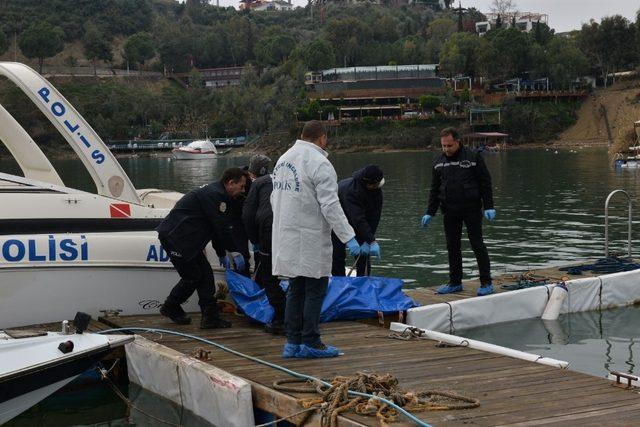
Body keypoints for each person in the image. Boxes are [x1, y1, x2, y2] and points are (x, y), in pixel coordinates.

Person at [271, 120, 362, 359]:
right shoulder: (320, 162)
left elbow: (275, 198)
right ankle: (311, 340)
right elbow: (331, 204)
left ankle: (292, 343)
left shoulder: (283, 159)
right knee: (314, 289)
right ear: (322, 138)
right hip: (308, 237)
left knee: (295, 289)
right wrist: (349, 237)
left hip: (287, 234)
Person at [157, 167, 248, 328]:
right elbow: (221, 228)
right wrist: (233, 250)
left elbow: (214, 228)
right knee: (192, 276)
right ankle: (170, 306)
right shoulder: (217, 196)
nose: (243, 190)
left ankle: (210, 317)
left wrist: (221, 253)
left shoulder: (218, 193)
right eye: (241, 186)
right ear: (230, 183)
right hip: (176, 238)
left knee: (205, 276)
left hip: (187, 240)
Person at [421, 127, 496, 296]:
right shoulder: (438, 162)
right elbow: (434, 189)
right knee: (452, 246)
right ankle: (455, 282)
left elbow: (485, 183)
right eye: (443, 146)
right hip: (449, 210)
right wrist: (430, 212)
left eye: (449, 145)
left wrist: (489, 206)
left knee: (477, 244)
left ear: (457, 142)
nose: (446, 149)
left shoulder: (473, 157)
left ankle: (486, 282)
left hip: (471, 208)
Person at [242, 154, 286, 335]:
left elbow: (248, 214)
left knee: (269, 278)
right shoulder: (285, 179)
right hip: (289, 231)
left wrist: (254, 241)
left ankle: (282, 319)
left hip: (268, 233)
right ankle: (296, 314)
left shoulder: (259, 183)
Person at [331, 165, 384, 277]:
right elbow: (357, 218)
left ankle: (364, 282)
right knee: (338, 255)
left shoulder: (376, 190)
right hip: (339, 220)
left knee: (363, 257)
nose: (375, 187)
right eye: (373, 185)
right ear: (366, 182)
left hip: (359, 221)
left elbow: (374, 217)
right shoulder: (351, 191)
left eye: (376, 185)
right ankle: (338, 285)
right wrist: (369, 240)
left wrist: (369, 240)